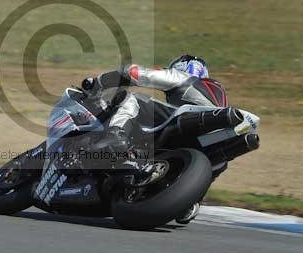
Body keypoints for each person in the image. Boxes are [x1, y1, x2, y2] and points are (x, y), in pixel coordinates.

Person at [82, 55, 226, 224]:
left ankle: (116, 136)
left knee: (129, 98)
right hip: (208, 141)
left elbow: (135, 73)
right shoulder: (218, 96)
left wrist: (97, 83)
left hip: (186, 120)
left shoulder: (182, 77)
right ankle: (193, 201)